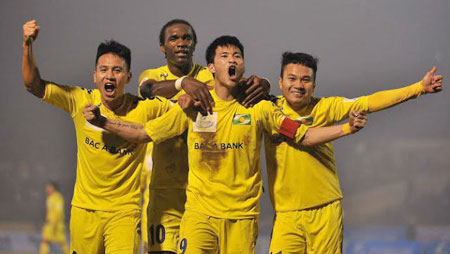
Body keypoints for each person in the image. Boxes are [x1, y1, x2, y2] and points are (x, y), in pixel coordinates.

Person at [83, 36, 367, 254]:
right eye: (224, 55)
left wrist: (346, 128)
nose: (232, 60)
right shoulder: (193, 108)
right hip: (199, 214)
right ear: (211, 68)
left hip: (241, 218)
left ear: (242, 66)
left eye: (237, 56)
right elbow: (144, 133)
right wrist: (103, 122)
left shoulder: (261, 109)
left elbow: (303, 135)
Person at [266, 52, 443, 254]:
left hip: (325, 210)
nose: (298, 85)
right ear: (280, 82)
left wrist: (418, 88)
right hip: (286, 214)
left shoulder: (326, 107)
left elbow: (370, 101)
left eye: (306, 80)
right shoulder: (268, 110)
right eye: (292, 78)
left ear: (313, 86)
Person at [22, 20, 171, 254]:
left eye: (117, 70)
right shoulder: (80, 100)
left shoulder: (144, 108)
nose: (109, 76)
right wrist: (27, 45)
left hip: (124, 213)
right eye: (103, 70)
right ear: (94, 76)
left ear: (129, 77)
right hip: (84, 212)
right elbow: (33, 85)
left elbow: (184, 107)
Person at [138, 19, 270, 254]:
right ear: (162, 47)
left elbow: (238, 85)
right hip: (166, 188)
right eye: (173, 38)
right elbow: (148, 90)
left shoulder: (209, 73)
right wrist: (182, 83)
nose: (181, 43)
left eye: (186, 38)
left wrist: (264, 84)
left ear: (195, 43)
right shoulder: (153, 75)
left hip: (205, 193)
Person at [40, 182, 68, 254]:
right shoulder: (51, 197)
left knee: (46, 240)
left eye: (49, 187)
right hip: (55, 223)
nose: (47, 189)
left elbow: (58, 211)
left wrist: (53, 222)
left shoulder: (57, 197)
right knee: (61, 241)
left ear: (53, 188)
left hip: (54, 223)